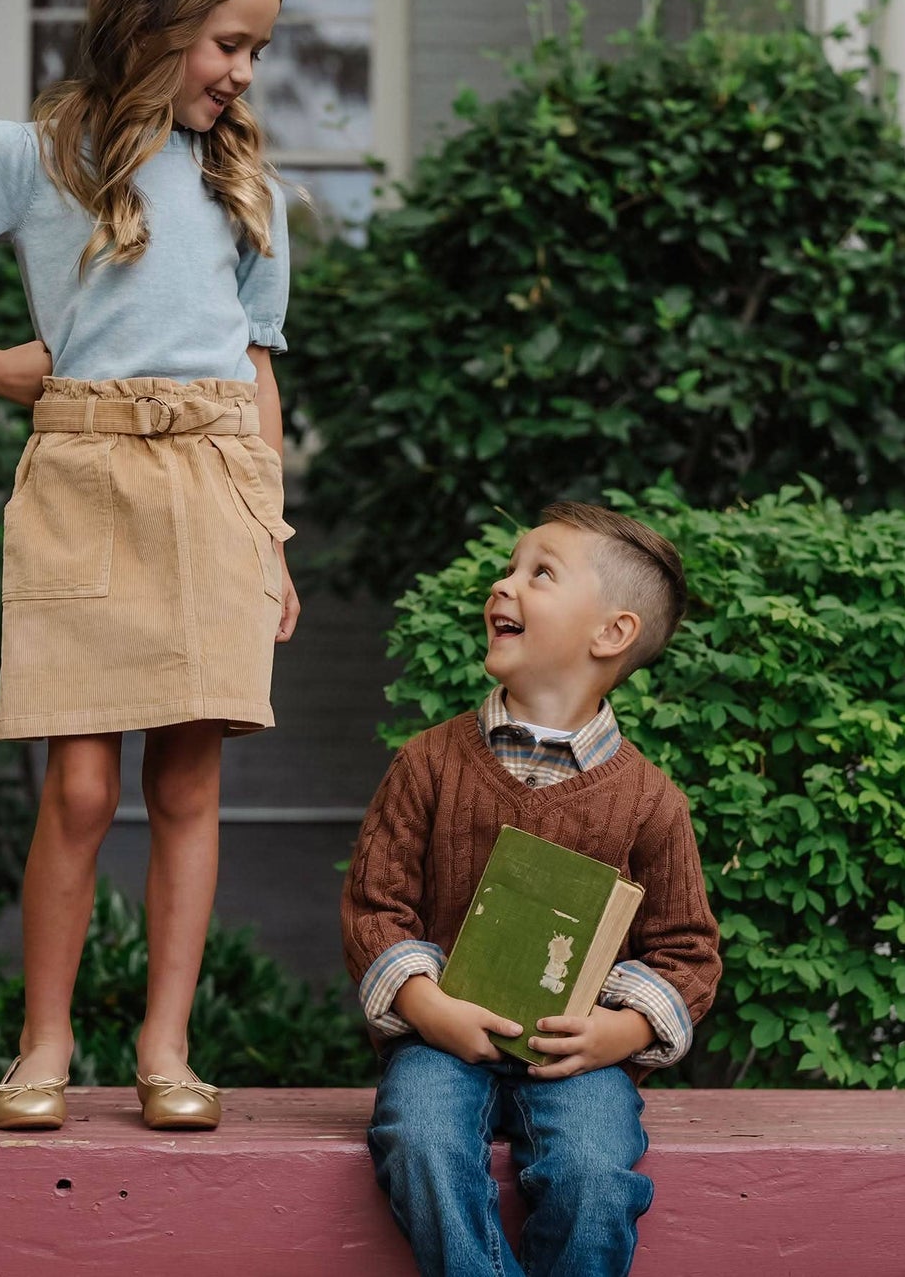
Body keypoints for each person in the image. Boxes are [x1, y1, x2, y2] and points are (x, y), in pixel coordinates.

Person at [0, 0, 298, 1134]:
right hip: (84, 475)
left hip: (212, 480)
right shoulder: (31, 153)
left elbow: (257, 370)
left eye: (256, 49)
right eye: (226, 42)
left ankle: (165, 1046)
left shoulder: (244, 183)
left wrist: (271, 535)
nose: (242, 71)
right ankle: (43, 1038)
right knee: (83, 789)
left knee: (192, 786)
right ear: (150, 18)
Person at [341, 502, 721, 1276]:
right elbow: (375, 906)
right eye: (509, 566)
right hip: (441, 1043)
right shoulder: (429, 763)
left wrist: (618, 1033)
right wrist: (425, 1007)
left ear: (610, 633)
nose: (502, 584)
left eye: (537, 572)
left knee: (592, 1173)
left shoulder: (650, 800)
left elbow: (687, 952)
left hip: (573, 1055)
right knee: (419, 1139)